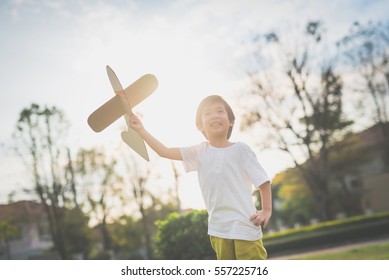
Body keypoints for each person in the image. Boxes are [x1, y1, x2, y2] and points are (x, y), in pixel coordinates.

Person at [129, 95, 272, 260]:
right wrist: (141, 130)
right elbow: (164, 151)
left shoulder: (241, 149)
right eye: (208, 113)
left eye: (220, 111)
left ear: (231, 121)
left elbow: (263, 180)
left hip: (245, 225)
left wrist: (266, 210)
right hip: (219, 230)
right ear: (200, 125)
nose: (215, 115)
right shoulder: (199, 152)